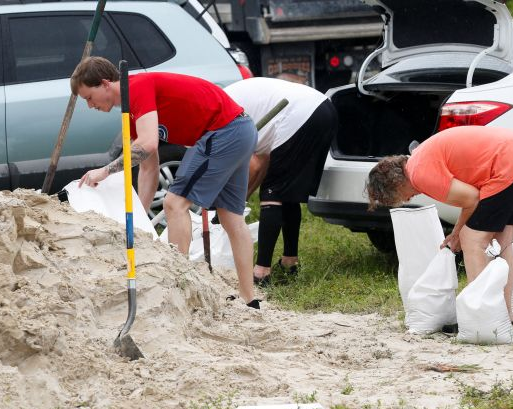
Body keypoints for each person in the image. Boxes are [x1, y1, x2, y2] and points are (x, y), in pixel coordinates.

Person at [72, 57, 260, 309]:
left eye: (89, 97)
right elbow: (148, 166)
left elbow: (147, 143)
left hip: (223, 130)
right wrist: (140, 219)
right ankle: (250, 300)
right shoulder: (130, 111)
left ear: (105, 84)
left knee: (174, 203)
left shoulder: (137, 87)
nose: (89, 105)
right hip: (239, 129)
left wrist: (105, 171)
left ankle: (179, 287)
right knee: (231, 218)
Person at [365, 126, 513, 321]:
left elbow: (472, 199)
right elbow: (472, 196)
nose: (407, 200)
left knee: (471, 239)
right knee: (501, 242)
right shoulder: (418, 158)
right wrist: (457, 232)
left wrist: (457, 233)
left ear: (395, 184)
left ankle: (481, 314)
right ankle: (505, 315)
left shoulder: (420, 174)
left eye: (399, 197)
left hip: (509, 162)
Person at [224, 77, 337, 286]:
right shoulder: (231, 100)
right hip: (323, 108)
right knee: (286, 193)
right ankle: (289, 262)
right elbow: (262, 161)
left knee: (272, 192)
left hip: (299, 114)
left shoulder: (222, 115)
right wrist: (242, 198)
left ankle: (261, 272)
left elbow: (255, 165)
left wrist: (234, 203)